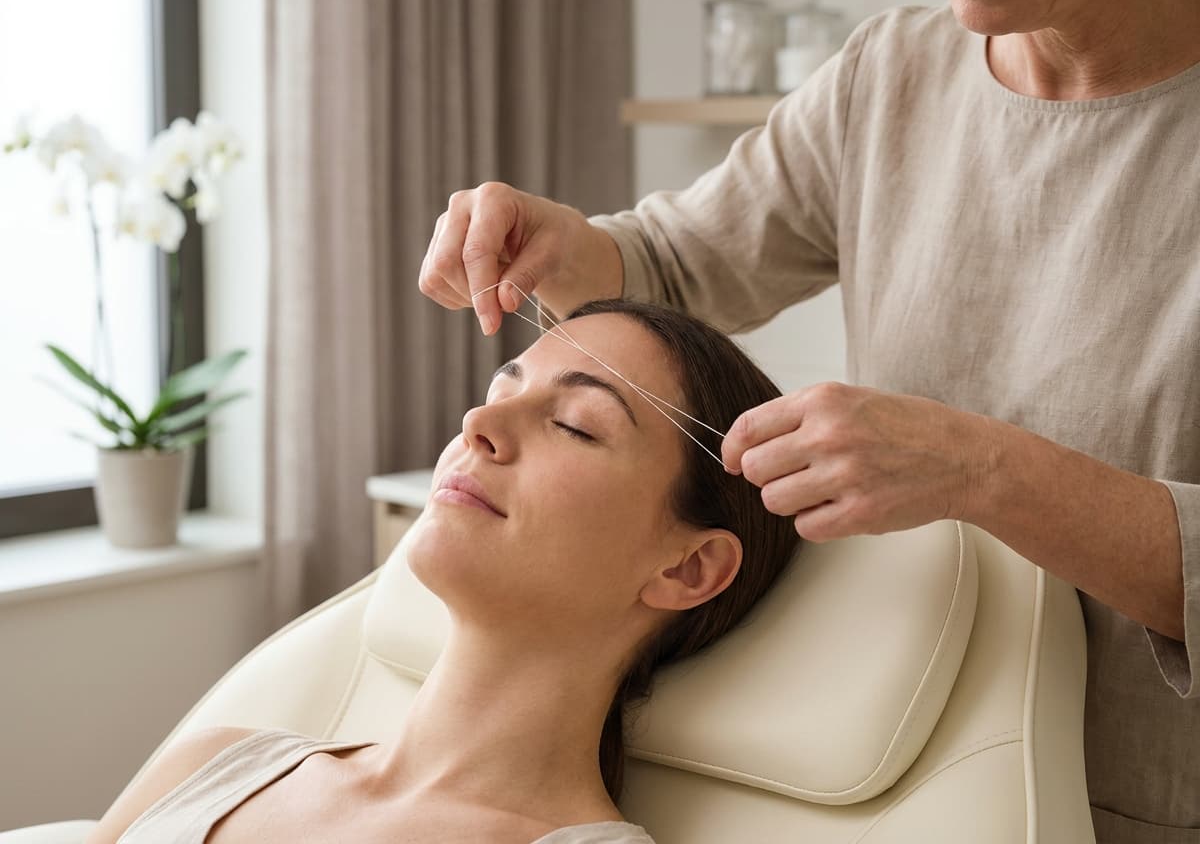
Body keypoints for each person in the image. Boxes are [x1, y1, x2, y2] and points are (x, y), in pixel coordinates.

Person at [418, 0, 1200, 837]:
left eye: (578, 425)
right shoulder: (891, 75)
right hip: (908, 786)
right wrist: (568, 249)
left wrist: (981, 469)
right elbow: (674, 262)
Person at [85, 301, 798, 844]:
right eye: (500, 391)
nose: (477, 423)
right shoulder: (223, 767)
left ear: (689, 568)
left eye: (576, 424)